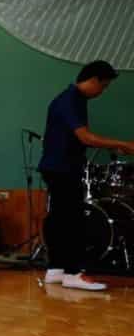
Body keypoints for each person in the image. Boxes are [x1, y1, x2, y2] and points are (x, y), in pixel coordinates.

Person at [38, 61, 133, 291]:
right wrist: (122, 144)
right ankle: (73, 273)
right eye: (104, 86)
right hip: (63, 168)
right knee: (72, 220)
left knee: (59, 219)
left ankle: (56, 270)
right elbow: (85, 138)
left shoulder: (72, 99)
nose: (103, 91)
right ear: (94, 80)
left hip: (56, 167)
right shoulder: (71, 100)